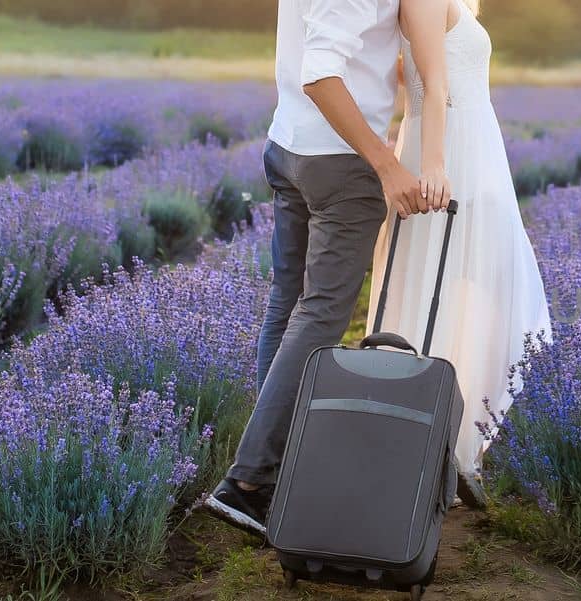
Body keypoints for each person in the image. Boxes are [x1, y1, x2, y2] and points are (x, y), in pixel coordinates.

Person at [204, 0, 435, 537]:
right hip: (339, 163)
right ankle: (248, 482)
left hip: (289, 145)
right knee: (320, 316)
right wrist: (387, 164)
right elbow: (321, 74)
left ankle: (268, 467)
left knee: (289, 309)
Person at [364, 0, 551, 508]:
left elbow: (410, 71)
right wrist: (434, 165)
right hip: (451, 150)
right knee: (434, 288)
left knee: (481, 288)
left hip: (475, 144)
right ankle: (427, 444)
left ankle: (458, 443)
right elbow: (434, 86)